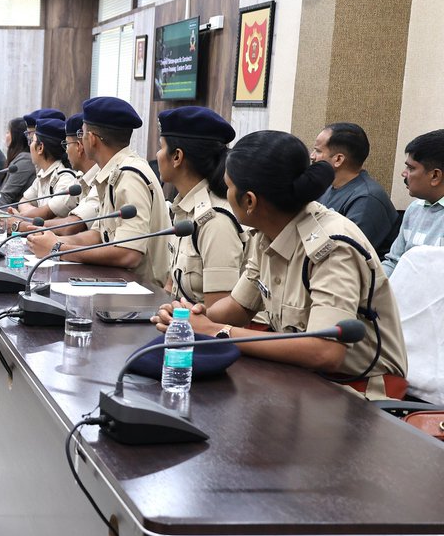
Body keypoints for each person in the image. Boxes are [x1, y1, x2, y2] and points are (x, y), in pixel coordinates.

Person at [153, 130, 407, 399]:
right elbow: (239, 307)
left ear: (250, 201)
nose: (225, 194)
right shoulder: (268, 232)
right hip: (305, 379)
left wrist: (217, 331)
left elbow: (326, 351)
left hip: (360, 391)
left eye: (228, 187)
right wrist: (187, 319)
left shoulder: (332, 247)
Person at [26, 97, 169, 286]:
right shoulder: (113, 172)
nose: (81, 139)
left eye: (82, 133)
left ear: (91, 139)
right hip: (121, 283)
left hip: (142, 295)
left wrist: (58, 248)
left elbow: (129, 253)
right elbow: (98, 234)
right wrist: (51, 239)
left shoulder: (129, 176)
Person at [157, 106, 246, 307]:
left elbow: (217, 312)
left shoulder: (215, 220)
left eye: (161, 147)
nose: (158, 154)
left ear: (177, 156)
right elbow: (171, 288)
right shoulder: (184, 209)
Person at [311, 123, 399, 256]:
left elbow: (347, 253)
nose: (312, 156)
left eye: (318, 151)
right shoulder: (326, 187)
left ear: (338, 159)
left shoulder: (367, 198)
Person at [383, 129, 444, 276]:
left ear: (435, 176)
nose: (404, 174)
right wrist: (370, 286)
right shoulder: (414, 209)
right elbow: (393, 262)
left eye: (411, 168)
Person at [10, 117, 86, 230]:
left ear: (40, 148)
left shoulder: (65, 178)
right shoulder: (43, 174)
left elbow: (49, 214)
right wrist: (34, 214)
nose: (29, 146)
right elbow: (24, 201)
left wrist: (18, 219)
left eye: (32, 141)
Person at [0, 117, 34, 204]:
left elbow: (6, 196)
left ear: (16, 136)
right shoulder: (20, 157)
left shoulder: (25, 160)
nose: (5, 136)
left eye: (8, 132)